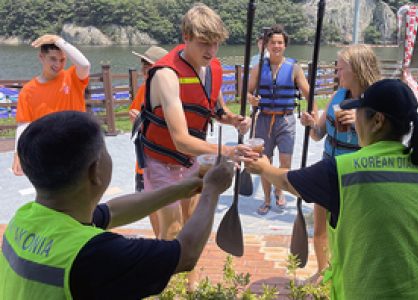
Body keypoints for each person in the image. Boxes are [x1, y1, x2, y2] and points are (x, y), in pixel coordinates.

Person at [244, 79, 418, 299]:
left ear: (377, 120)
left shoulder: (343, 171)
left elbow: (287, 181)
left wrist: (263, 167)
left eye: (359, 113)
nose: (356, 121)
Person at [0, 111, 235, 299]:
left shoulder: (24, 219)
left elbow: (112, 211)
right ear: (95, 171)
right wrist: (212, 191)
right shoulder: (94, 254)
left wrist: (184, 188)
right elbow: (185, 255)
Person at [137, 3, 250, 288]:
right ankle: (168, 288)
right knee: (172, 227)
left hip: (190, 161)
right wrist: (225, 151)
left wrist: (232, 119)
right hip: (161, 159)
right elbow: (181, 139)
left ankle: (190, 283)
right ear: (185, 36)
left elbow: (213, 109)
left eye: (215, 44)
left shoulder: (211, 67)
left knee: (192, 222)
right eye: (204, 44)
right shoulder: (166, 74)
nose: (211, 52)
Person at [299, 44, 381, 283]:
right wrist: (310, 124)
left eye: (340, 68)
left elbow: (384, 142)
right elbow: (318, 134)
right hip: (329, 169)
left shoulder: (377, 102)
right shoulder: (338, 96)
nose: (336, 73)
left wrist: (358, 122)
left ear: (356, 70)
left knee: (353, 230)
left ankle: (351, 275)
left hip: (358, 175)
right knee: (321, 227)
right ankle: (324, 272)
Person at [247, 24, 310, 215]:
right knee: (263, 162)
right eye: (273, 42)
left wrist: (314, 117)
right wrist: (251, 98)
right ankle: (266, 200)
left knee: (285, 162)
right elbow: (247, 92)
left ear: (285, 46)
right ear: (266, 45)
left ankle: (279, 190)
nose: (276, 46)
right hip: (264, 119)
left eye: (280, 43)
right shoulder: (258, 68)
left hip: (286, 120)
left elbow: (309, 94)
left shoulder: (294, 68)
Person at [12, 34, 91, 176]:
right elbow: (24, 124)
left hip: (77, 147)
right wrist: (18, 152)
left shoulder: (73, 77)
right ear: (41, 57)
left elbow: (84, 64)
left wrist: (57, 40)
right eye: (53, 59)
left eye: (62, 60)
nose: (58, 65)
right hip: (46, 151)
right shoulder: (28, 90)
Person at [129, 45, 168, 237]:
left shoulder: (170, 90)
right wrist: (136, 118)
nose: (144, 68)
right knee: (148, 201)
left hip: (164, 157)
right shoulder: (143, 88)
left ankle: (167, 242)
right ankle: (158, 238)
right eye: (143, 64)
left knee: (167, 202)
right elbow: (136, 115)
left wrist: (142, 118)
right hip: (143, 154)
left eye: (149, 64)